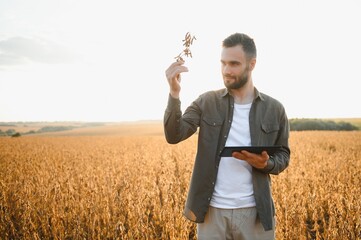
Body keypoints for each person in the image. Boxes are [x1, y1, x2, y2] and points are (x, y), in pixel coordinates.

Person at [164, 33, 290, 240]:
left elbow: (283, 155)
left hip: (256, 213)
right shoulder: (206, 102)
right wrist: (174, 93)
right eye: (223, 63)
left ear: (252, 64)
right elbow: (174, 135)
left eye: (233, 64)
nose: (226, 70)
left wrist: (265, 163)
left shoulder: (275, 109)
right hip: (212, 212)